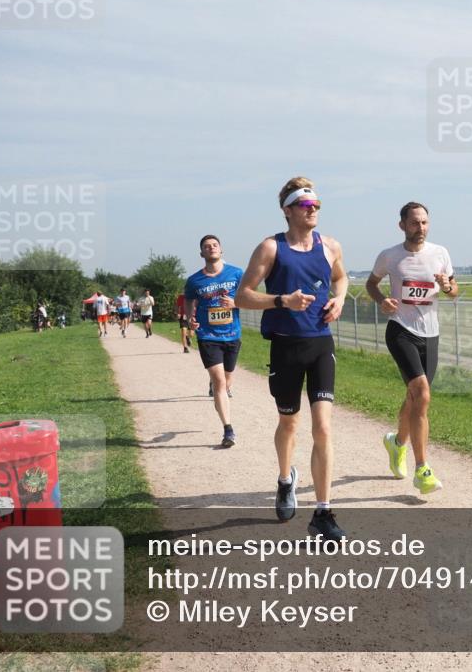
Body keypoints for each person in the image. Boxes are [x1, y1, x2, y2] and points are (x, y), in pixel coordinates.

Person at [236, 177, 347, 540]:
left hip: (320, 345)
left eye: (316, 205)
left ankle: (323, 513)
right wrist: (282, 301)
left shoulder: (330, 246)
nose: (313, 210)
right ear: (287, 210)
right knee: (289, 423)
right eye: (305, 205)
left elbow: (341, 278)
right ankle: (286, 480)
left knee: (323, 428)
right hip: (285, 348)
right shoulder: (271, 248)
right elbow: (243, 296)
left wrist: (339, 299)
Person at [366, 202, 457, 495]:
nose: (421, 228)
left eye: (425, 222)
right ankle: (422, 470)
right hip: (401, 330)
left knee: (415, 398)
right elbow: (371, 283)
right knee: (422, 394)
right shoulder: (390, 256)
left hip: (431, 334)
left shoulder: (440, 253)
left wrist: (446, 286)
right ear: (402, 225)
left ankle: (396, 443)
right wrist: (382, 300)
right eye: (415, 222)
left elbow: (454, 291)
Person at [185, 235, 242, 447]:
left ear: (221, 250)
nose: (211, 248)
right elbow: (189, 300)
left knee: (226, 382)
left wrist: (235, 302)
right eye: (207, 246)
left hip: (232, 334)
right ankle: (228, 430)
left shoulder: (236, 273)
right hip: (208, 336)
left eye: (215, 245)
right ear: (202, 253)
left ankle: (217, 387)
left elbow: (248, 296)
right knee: (220, 382)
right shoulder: (194, 280)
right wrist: (190, 319)